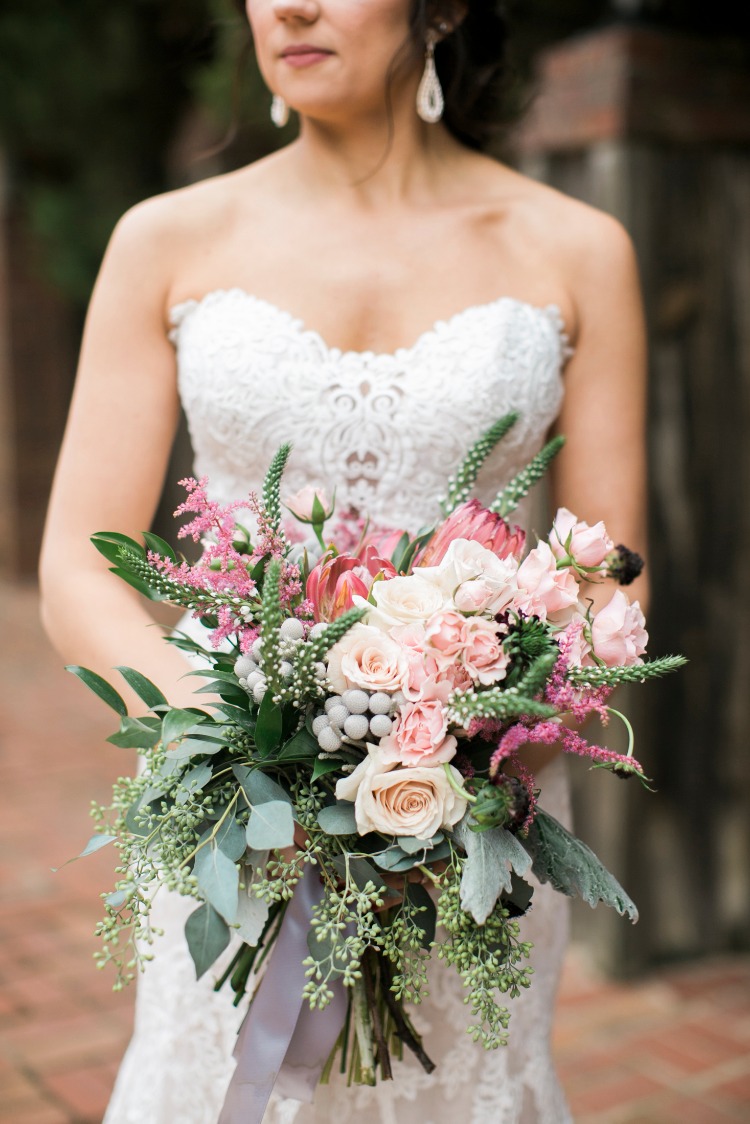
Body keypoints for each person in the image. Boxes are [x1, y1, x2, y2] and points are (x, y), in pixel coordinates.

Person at [39, 1, 648, 1120]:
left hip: (469, 827)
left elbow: (608, 576)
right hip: (233, 824)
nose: (291, 5)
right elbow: (81, 564)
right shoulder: (165, 238)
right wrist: (246, 755)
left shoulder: (576, 248)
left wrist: (479, 752)